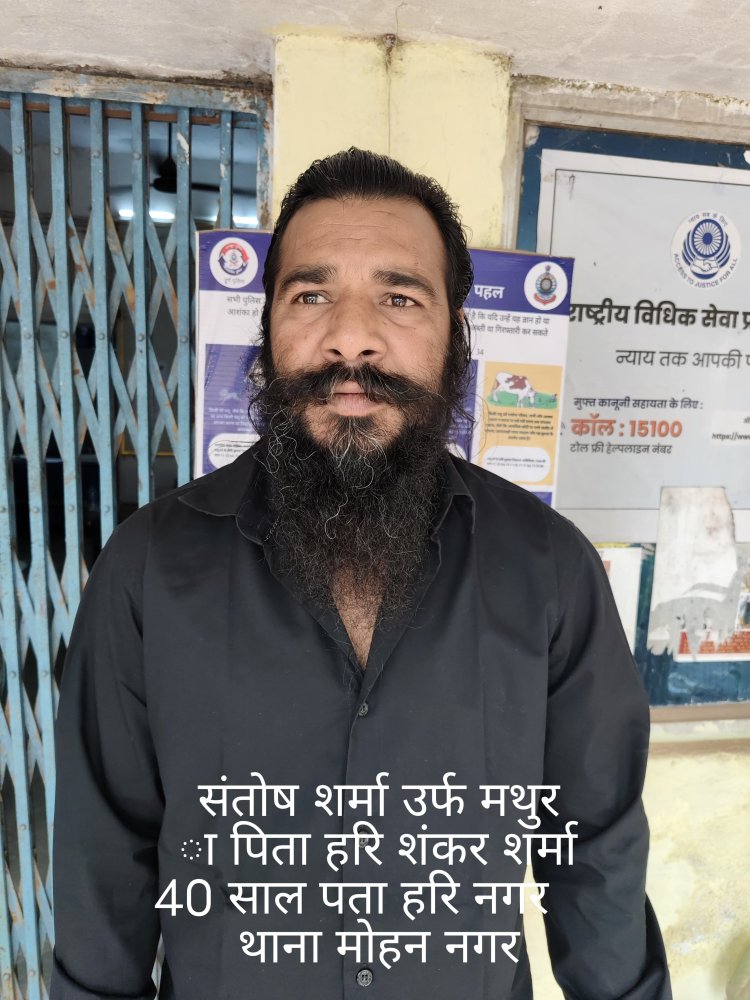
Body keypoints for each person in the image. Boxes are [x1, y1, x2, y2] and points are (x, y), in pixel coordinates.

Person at [51, 148, 672, 999]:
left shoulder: (551, 569)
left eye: (399, 297)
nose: (351, 336)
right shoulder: (149, 569)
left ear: (455, 332)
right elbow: (103, 859)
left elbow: (594, 852)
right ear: (267, 328)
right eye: (311, 296)